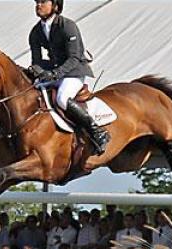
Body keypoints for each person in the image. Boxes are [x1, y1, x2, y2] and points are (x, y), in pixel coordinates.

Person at [29, 0, 110, 155]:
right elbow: (36, 61)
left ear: (56, 6)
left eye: (43, 2)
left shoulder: (67, 26)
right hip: (54, 73)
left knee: (62, 98)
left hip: (74, 72)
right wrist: (38, 71)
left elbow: (74, 58)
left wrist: (54, 74)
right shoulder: (36, 32)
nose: (39, 5)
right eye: (37, 2)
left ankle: (97, 132)